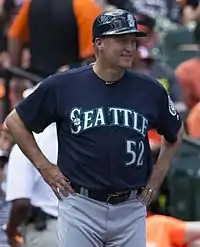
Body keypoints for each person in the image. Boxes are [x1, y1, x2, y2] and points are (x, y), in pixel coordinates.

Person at [5, 9, 183, 247]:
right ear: (99, 43)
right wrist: (45, 167)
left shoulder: (150, 90)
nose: (130, 47)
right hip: (81, 204)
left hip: (131, 206)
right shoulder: (64, 85)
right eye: (121, 40)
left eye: (132, 40)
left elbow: (176, 132)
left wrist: (156, 179)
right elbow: (15, 122)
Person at [4, 86, 58, 247]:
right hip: (82, 230)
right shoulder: (72, 137)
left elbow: (21, 203)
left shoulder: (26, 143)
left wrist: (11, 231)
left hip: (45, 232)